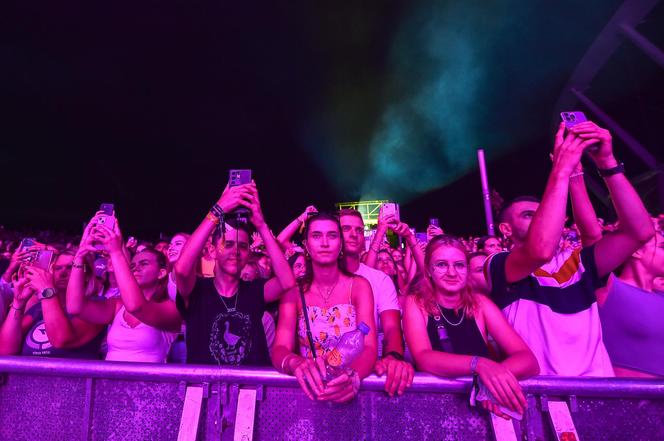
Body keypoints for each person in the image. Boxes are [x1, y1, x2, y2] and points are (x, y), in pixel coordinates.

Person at [485, 121, 654, 376]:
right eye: (530, 215)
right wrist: (561, 171)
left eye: (544, 211)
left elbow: (640, 231)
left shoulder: (578, 263)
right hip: (543, 396)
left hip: (598, 395)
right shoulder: (497, 264)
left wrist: (607, 162)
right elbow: (540, 250)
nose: (544, 216)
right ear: (506, 229)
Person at [404, 235, 539, 419]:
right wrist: (479, 365)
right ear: (428, 270)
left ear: (467, 270)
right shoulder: (416, 302)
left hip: (482, 411)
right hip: (434, 409)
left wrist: (490, 380)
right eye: (442, 265)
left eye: (459, 265)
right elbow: (423, 357)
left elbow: (528, 360)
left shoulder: (480, 303)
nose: (452, 272)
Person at [174, 180, 294, 366]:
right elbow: (181, 269)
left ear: (248, 254)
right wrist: (218, 208)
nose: (236, 251)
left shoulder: (255, 290)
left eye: (243, 247)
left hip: (251, 390)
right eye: (228, 244)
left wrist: (261, 225)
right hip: (206, 391)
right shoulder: (197, 290)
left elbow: (287, 282)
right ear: (212, 251)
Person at [272, 213, 378, 403]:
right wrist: (296, 363)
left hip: (349, 392)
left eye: (332, 235)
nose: (324, 243)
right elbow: (280, 348)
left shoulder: (360, 286)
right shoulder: (294, 292)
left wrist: (354, 377)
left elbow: (369, 346)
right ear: (306, 245)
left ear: (340, 245)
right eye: (316, 236)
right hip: (309, 392)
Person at [66, 214, 180, 363]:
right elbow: (75, 307)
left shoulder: (171, 308)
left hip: (149, 385)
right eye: (132, 266)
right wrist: (80, 255)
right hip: (109, 383)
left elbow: (137, 307)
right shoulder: (117, 306)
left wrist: (116, 251)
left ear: (161, 273)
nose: (136, 268)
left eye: (144, 264)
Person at [338, 209, 414, 397]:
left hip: (369, 375)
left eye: (358, 230)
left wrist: (393, 357)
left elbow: (392, 328)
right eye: (346, 228)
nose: (353, 234)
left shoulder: (379, 279)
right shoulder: (319, 279)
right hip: (327, 375)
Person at [0, 248, 106, 358]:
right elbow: (4, 350)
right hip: (30, 374)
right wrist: (18, 303)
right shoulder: (38, 308)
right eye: (57, 268)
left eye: (71, 267)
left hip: (69, 374)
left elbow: (61, 340)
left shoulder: (98, 304)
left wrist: (47, 289)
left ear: (87, 275)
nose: (62, 273)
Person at [598, 223, 664, 377]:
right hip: (623, 398)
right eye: (663, 246)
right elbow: (591, 238)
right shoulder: (609, 287)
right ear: (636, 250)